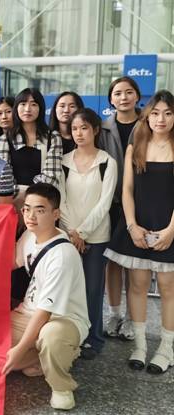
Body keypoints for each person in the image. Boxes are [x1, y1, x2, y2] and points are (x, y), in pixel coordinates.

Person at [104, 90, 174, 374]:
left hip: (169, 226)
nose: (161, 119)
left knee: (168, 288)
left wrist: (171, 230)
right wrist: (132, 226)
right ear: (147, 116)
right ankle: (141, 346)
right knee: (137, 285)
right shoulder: (137, 145)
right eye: (155, 113)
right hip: (138, 226)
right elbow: (127, 190)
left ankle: (166, 348)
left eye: (168, 113)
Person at [3, 183, 90, 411]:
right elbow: (10, 262)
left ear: (56, 214)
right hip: (28, 313)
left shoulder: (62, 255)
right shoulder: (30, 235)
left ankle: (61, 386)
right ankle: (39, 359)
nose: (31, 216)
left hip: (63, 319)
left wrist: (18, 350)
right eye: (27, 209)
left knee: (51, 337)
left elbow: (45, 312)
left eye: (40, 210)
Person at [59, 108, 118, 359]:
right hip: (68, 235)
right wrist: (73, 233)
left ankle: (93, 338)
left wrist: (82, 232)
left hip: (96, 236)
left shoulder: (107, 162)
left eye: (84, 128)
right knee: (69, 289)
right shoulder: (63, 161)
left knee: (93, 289)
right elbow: (61, 200)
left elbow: (105, 203)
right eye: (74, 129)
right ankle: (70, 337)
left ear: (95, 130)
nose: (79, 133)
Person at [99, 76, 142, 340]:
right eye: (117, 93)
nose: (123, 97)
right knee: (113, 262)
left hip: (142, 203)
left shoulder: (149, 124)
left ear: (137, 96)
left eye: (128, 92)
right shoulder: (102, 129)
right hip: (112, 203)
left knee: (135, 264)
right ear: (111, 99)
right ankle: (114, 314)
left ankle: (132, 318)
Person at [0, 88, 63, 204]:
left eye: (33, 104)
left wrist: (29, 196)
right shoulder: (5, 138)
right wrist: (18, 195)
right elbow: (4, 177)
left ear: (40, 108)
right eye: (23, 104)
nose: (27, 109)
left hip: (42, 202)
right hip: (12, 202)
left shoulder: (53, 137)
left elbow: (51, 177)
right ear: (16, 108)